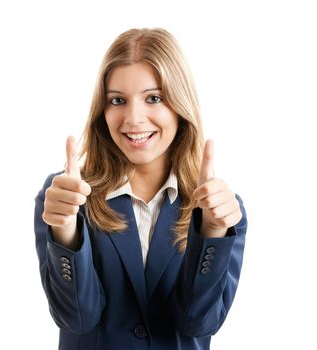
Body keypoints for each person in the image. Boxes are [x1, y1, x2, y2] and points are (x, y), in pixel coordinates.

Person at [34, 27, 248, 350]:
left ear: (180, 105)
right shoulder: (66, 197)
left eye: (154, 98)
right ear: (102, 111)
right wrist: (66, 232)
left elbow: (198, 322)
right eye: (117, 100)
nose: (133, 118)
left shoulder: (221, 210)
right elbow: (76, 319)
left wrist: (213, 233)